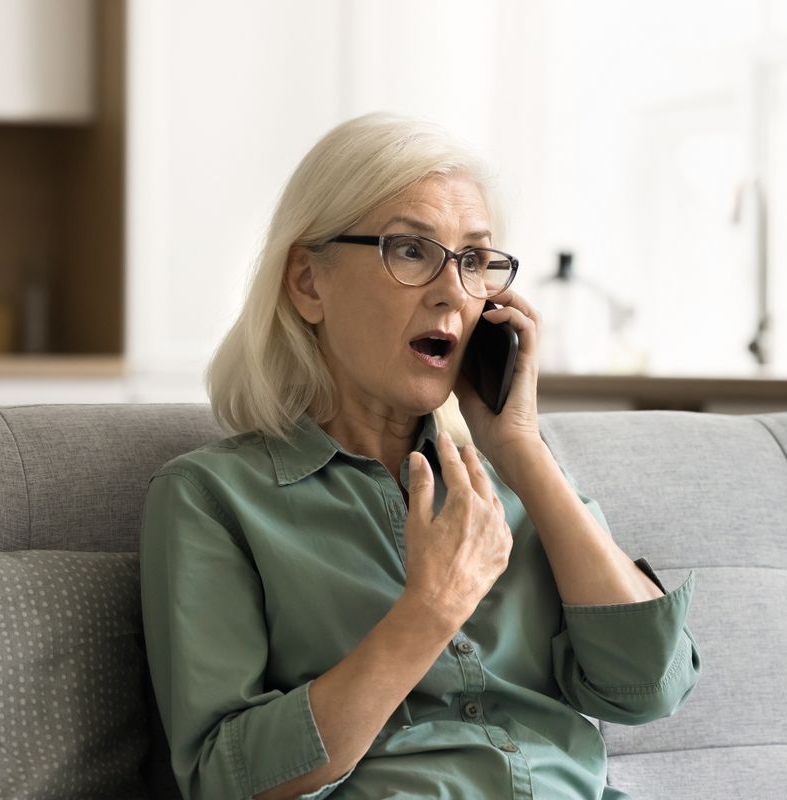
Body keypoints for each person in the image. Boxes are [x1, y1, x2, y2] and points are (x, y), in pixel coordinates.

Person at [139, 112, 701, 800]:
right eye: (411, 250)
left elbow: (650, 686)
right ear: (309, 284)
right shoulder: (214, 498)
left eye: (473, 260)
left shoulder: (515, 478)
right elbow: (226, 778)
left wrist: (520, 448)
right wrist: (431, 608)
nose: (451, 291)